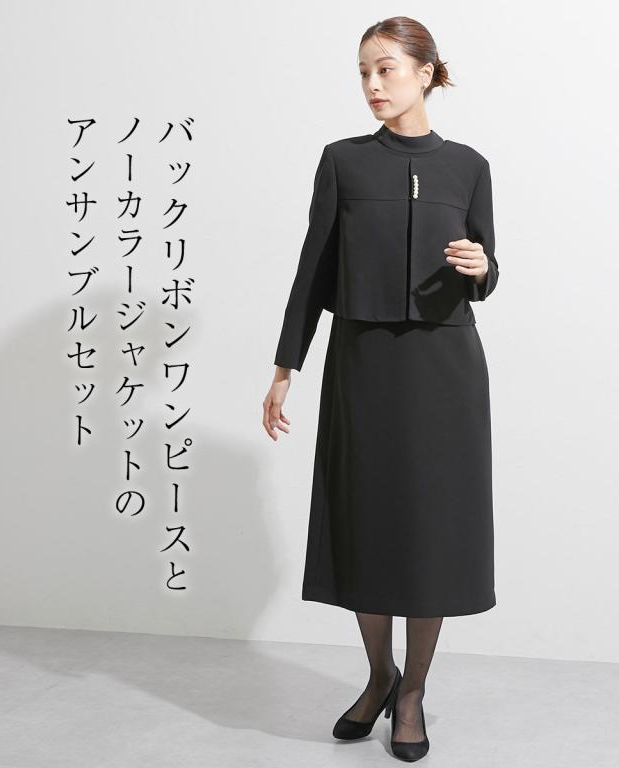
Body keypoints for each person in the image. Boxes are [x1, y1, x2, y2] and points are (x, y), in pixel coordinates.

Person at [262, 16, 499, 762]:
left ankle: (413, 693)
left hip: (445, 368)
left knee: (431, 528)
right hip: (362, 363)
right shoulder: (343, 162)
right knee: (366, 520)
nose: (372, 84)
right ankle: (378, 676)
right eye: (364, 71)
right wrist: (286, 366)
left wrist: (481, 267)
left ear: (426, 73)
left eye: (387, 68)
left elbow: (488, 269)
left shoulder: (469, 166)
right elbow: (313, 268)